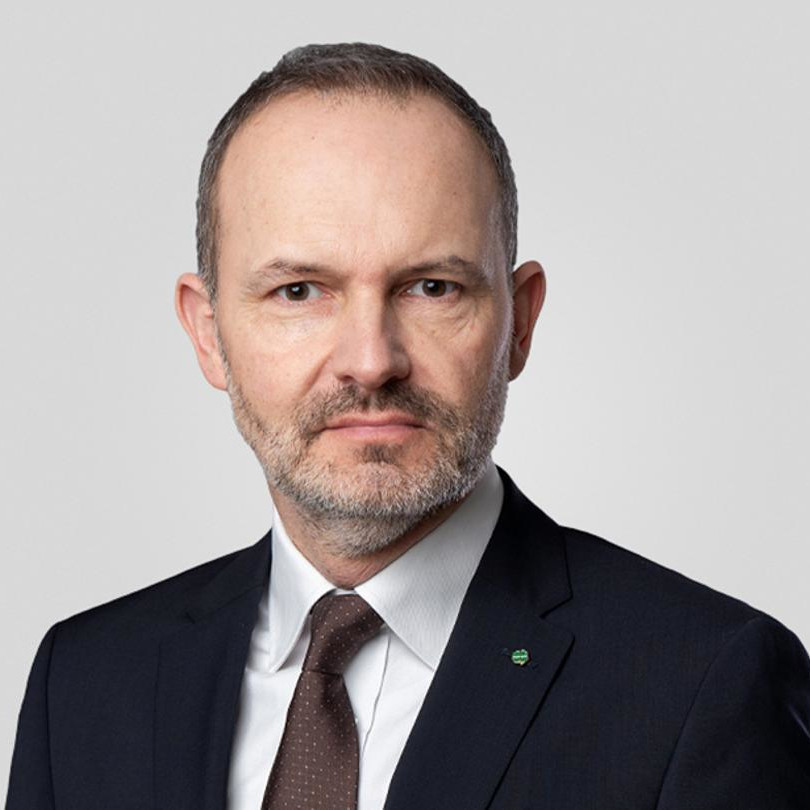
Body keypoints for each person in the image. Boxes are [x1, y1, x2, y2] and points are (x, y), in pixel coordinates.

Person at [6, 42, 810, 810]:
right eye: (298, 291)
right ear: (208, 334)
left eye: (432, 288)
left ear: (521, 323)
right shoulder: (85, 684)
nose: (370, 361)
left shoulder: (703, 686)